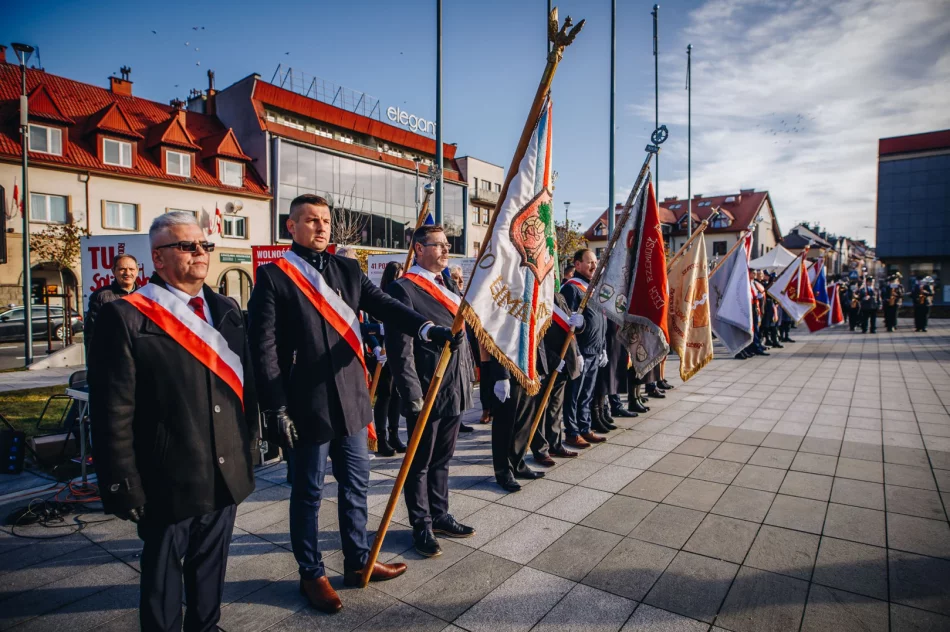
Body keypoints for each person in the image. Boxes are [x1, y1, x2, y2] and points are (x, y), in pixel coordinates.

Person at [247, 194, 462, 614]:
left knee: (356, 485)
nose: (321, 227)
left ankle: (358, 560)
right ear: (291, 226)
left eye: (325, 221)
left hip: (351, 396)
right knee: (309, 492)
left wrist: (426, 329)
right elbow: (264, 348)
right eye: (311, 220)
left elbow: (385, 306)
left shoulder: (347, 269)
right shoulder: (273, 277)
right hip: (306, 401)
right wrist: (274, 408)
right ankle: (312, 574)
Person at [89, 212, 260, 632]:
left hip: (224, 469)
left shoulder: (226, 309)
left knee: (211, 569)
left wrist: (251, 446)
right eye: (187, 246)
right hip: (166, 475)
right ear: (158, 257)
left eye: (205, 245)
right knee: (163, 579)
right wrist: (123, 482)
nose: (200, 252)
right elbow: (113, 410)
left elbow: (246, 388)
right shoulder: (125, 316)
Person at [385, 224, 476, 557]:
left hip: (454, 383)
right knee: (420, 462)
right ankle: (421, 523)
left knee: (443, 458)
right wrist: (411, 393)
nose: (446, 249)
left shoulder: (447, 283)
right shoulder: (403, 289)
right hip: (427, 388)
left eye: (447, 244)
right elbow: (400, 349)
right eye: (439, 244)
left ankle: (439, 514)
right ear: (419, 249)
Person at [561, 249, 608, 449]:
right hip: (580, 351)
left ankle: (585, 427)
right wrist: (576, 353)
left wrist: (603, 347)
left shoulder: (593, 287)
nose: (594, 266)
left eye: (595, 262)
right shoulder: (572, 288)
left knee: (587, 393)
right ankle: (572, 432)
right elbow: (567, 322)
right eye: (589, 262)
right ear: (577, 264)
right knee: (574, 394)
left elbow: (601, 320)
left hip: (595, 350)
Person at [531, 292, 584, 466]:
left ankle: (555, 444)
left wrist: (580, 324)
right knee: (541, 407)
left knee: (555, 406)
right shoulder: (534, 295)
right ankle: (540, 449)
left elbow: (570, 327)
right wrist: (553, 360)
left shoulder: (559, 297)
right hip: (544, 363)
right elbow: (535, 336)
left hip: (564, 361)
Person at [372, 261, 406, 456]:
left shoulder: (402, 296)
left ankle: (394, 434)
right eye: (398, 276)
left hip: (398, 350)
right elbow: (369, 324)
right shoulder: (380, 296)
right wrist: (376, 344)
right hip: (383, 355)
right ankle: (381, 437)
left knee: (397, 394)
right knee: (385, 394)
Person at [84, 253, 139, 351]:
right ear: (113, 271)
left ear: (137, 271)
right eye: (122, 269)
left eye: (131, 269)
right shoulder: (101, 297)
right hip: (113, 354)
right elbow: (91, 333)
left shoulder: (145, 296)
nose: (127, 273)